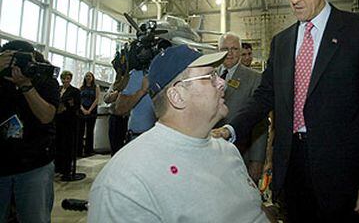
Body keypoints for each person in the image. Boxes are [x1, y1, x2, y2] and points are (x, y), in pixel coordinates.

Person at [213, 0, 359, 223]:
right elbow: (264, 96)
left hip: (348, 175)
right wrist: (230, 129)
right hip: (293, 172)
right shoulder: (282, 42)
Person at [88, 45, 271, 223]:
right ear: (177, 96)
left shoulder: (227, 151)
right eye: (210, 77)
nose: (222, 82)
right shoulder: (126, 182)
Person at [0, 40, 59, 223]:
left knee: (35, 217)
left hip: (34, 164)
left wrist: (26, 85)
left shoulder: (45, 79)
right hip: (1, 163)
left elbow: (46, 116)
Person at [217, 33, 268, 183]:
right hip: (211, 152)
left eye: (234, 49)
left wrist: (257, 160)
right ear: (218, 50)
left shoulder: (255, 78)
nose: (230, 53)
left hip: (240, 153)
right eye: (225, 48)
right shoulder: (208, 75)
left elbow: (260, 122)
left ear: (240, 51)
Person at [115, 67, 154, 142]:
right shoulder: (135, 75)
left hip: (165, 138)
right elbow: (119, 108)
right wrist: (142, 91)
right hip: (138, 137)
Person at [55, 70, 80, 180]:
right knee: (58, 144)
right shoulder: (58, 89)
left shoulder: (75, 91)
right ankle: (58, 167)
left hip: (68, 121)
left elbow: (77, 106)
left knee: (67, 145)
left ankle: (66, 169)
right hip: (57, 121)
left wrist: (68, 107)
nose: (65, 80)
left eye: (68, 78)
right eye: (64, 78)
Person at [103, 83, 129, 156]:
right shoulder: (115, 85)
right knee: (114, 144)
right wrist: (117, 91)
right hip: (114, 117)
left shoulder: (131, 84)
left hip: (126, 118)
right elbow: (106, 99)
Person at [78, 71, 100, 156]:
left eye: (89, 76)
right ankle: (79, 150)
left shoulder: (96, 87)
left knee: (90, 131)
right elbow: (78, 100)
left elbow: (97, 99)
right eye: (86, 76)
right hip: (82, 110)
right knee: (81, 131)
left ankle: (89, 150)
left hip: (92, 110)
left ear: (92, 78)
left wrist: (89, 110)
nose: (88, 78)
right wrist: (83, 109)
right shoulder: (81, 87)